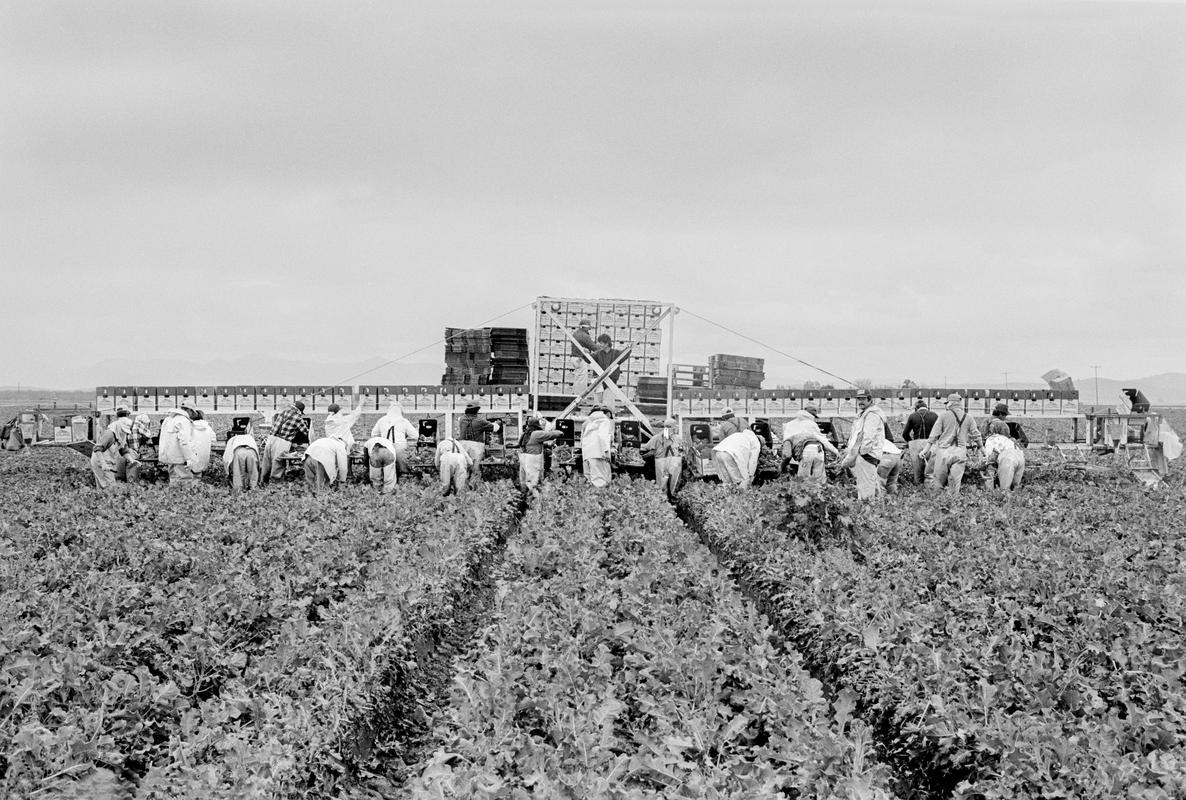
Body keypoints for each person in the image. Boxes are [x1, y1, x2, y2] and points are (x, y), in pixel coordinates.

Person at [921, 393, 983, 495]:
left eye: (947, 403)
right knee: (955, 481)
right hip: (960, 451)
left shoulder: (943, 415)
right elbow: (976, 434)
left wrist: (926, 449)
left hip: (944, 451)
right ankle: (953, 502)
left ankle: (938, 501)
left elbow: (934, 434)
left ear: (950, 403)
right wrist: (982, 448)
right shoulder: (968, 417)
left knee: (939, 479)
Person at [838, 390, 887, 501]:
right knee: (870, 484)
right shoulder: (864, 414)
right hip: (865, 455)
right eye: (859, 399)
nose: (860, 401)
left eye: (863, 399)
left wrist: (861, 453)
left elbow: (868, 437)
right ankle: (877, 510)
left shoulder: (872, 415)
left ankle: (867, 512)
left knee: (865, 488)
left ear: (870, 399)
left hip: (866, 456)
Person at [780, 406, 838, 487]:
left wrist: (782, 467)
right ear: (811, 416)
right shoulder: (812, 424)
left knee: (803, 482)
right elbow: (823, 441)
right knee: (820, 481)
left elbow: (787, 454)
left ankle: (805, 497)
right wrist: (837, 452)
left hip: (806, 452)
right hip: (819, 449)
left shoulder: (789, 426)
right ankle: (824, 496)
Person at [262, 400, 309, 484]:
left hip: (271, 438)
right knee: (278, 463)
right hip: (283, 441)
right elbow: (305, 431)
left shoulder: (283, 412)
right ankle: (275, 483)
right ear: (299, 411)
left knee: (267, 461)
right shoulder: (298, 418)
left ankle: (263, 481)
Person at [517, 416, 564, 498]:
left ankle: (524, 497)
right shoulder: (536, 433)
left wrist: (547, 444)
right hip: (532, 459)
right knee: (533, 481)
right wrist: (561, 432)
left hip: (524, 458)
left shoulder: (525, 433)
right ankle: (533, 500)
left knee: (525, 480)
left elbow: (532, 443)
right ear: (536, 426)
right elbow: (550, 434)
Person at [640, 417, 685, 500]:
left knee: (662, 482)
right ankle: (671, 497)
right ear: (673, 427)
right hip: (673, 461)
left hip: (662, 461)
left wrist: (642, 456)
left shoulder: (657, 437)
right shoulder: (677, 438)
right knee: (673, 481)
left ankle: (663, 499)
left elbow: (647, 449)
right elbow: (682, 450)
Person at [371, 403, 418, 478]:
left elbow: (373, 434)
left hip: (385, 448)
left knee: (386, 470)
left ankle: (383, 478)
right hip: (400, 449)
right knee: (403, 469)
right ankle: (404, 477)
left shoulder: (382, 420)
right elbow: (415, 435)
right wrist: (405, 435)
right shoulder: (403, 421)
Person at [89, 409, 133, 489]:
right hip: (100, 461)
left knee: (103, 488)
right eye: (123, 430)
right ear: (119, 426)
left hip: (108, 462)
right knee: (111, 488)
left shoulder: (121, 435)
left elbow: (123, 450)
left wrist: (131, 460)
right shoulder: (110, 434)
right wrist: (103, 464)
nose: (124, 432)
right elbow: (97, 449)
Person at [158, 407, 202, 486]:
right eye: (192, 413)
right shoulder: (183, 421)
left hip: (170, 458)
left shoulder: (168, 419)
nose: (192, 416)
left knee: (173, 480)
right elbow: (184, 441)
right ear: (189, 410)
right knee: (185, 482)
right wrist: (189, 458)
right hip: (180, 458)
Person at [901, 400, 939, 485]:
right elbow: (939, 433)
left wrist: (911, 443)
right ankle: (930, 488)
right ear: (926, 407)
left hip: (917, 443)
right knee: (930, 471)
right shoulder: (935, 415)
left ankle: (918, 488)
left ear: (916, 408)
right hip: (931, 444)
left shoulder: (913, 416)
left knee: (917, 471)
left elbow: (905, 434)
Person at [457, 403, 496, 485]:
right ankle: (473, 487)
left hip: (462, 446)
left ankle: (462, 487)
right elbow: (494, 428)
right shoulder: (480, 421)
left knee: (463, 468)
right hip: (476, 446)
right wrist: (498, 423)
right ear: (477, 410)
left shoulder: (461, 419)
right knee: (475, 468)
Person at [983, 418, 1025, 493]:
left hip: (1007, 458)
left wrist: (984, 463)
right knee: (1015, 488)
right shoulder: (1009, 440)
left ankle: (993, 497)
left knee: (1005, 489)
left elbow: (988, 456)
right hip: (1020, 458)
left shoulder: (991, 439)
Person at [581, 406, 614, 487]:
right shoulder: (604, 420)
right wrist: (606, 452)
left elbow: (582, 439)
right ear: (608, 414)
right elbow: (603, 436)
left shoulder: (587, 422)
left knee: (589, 482)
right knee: (600, 483)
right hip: (598, 454)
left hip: (587, 455)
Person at [223, 419, 261, 492]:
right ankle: (253, 490)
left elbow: (226, 457)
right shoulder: (250, 437)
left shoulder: (232, 439)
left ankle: (239, 491)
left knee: (238, 474)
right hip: (251, 452)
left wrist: (227, 471)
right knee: (253, 473)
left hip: (239, 452)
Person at [590, 334, 623, 406]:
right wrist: (585, 353)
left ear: (607, 343)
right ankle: (598, 415)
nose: (599, 344)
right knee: (597, 402)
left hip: (611, 380)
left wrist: (629, 348)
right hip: (598, 380)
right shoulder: (598, 353)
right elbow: (588, 359)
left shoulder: (616, 353)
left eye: (601, 343)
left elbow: (625, 354)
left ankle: (608, 415)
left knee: (608, 402)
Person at [125, 412, 155, 483]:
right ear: (143, 422)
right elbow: (148, 434)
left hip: (124, 451)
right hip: (132, 451)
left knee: (126, 472)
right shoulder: (138, 424)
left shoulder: (129, 424)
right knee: (132, 472)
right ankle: (132, 487)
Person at [570, 318, 597, 394]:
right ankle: (579, 397)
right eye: (588, 328)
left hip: (574, 358)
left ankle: (574, 394)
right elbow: (593, 347)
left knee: (577, 377)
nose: (589, 330)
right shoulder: (584, 336)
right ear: (585, 327)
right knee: (582, 379)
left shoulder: (575, 333)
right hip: (580, 359)